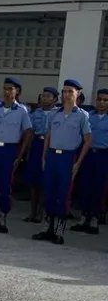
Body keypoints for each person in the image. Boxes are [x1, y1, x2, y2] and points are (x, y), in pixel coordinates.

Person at [33, 80, 92, 245]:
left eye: (70, 91)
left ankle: (59, 231)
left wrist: (78, 163)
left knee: (63, 194)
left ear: (77, 94)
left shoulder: (82, 115)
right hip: (52, 156)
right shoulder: (54, 114)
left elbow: (88, 140)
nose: (67, 95)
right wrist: (44, 157)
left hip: (68, 157)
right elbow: (48, 136)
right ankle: (47, 228)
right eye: (64, 91)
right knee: (49, 192)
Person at [0, 77, 32, 234]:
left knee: (5, 185)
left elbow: (28, 132)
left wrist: (20, 154)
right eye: (5, 88)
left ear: (17, 92)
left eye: (11, 89)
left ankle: (3, 217)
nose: (7, 92)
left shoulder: (22, 110)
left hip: (10, 150)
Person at [71, 87, 108, 234]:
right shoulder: (88, 116)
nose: (102, 103)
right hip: (88, 154)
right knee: (85, 185)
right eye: (99, 99)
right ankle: (83, 217)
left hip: (103, 155)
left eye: (105, 100)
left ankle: (94, 219)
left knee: (99, 187)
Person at [23, 87, 58, 222]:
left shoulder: (57, 114)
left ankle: (41, 213)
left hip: (50, 146)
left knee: (44, 182)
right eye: (43, 96)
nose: (45, 99)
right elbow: (31, 132)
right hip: (37, 144)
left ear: (55, 99)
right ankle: (32, 212)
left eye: (49, 96)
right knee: (33, 181)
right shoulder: (35, 113)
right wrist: (28, 150)